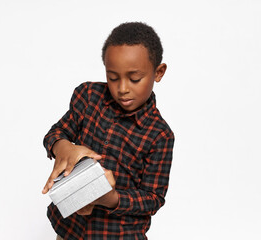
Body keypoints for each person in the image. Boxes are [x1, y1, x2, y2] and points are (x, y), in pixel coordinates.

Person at [42, 22, 174, 240]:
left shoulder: (160, 135)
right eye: (113, 77)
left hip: (118, 235)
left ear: (158, 72)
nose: (122, 88)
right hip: (70, 229)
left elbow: (153, 198)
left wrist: (109, 198)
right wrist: (63, 147)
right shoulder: (88, 96)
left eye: (134, 79)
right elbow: (56, 133)